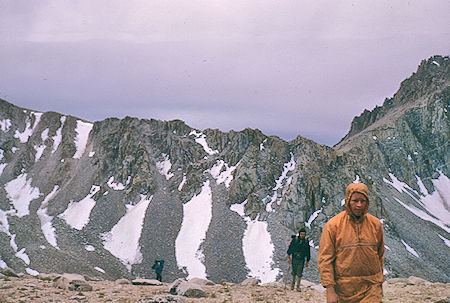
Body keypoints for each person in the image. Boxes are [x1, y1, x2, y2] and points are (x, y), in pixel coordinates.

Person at [318, 183, 384, 303]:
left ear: (367, 202)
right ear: (348, 200)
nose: (359, 205)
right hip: (344, 291)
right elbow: (325, 259)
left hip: (371, 289)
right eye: (355, 200)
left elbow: (380, 255)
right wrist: (330, 290)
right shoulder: (333, 226)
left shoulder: (376, 225)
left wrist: (379, 282)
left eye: (362, 201)